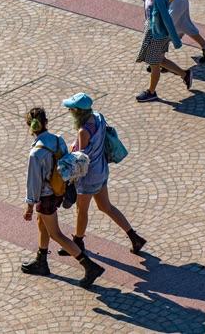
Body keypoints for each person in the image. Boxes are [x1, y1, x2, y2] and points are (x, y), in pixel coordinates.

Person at [21, 107, 105, 288]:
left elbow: (33, 184)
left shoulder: (35, 154)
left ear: (30, 127)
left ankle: (89, 266)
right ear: (46, 122)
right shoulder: (58, 140)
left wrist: (29, 207)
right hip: (58, 192)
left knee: (56, 234)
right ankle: (41, 261)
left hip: (46, 198)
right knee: (42, 223)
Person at [57, 93, 146, 256]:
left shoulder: (83, 131)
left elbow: (80, 158)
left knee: (81, 211)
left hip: (89, 177)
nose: (69, 112)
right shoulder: (98, 117)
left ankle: (78, 243)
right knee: (106, 207)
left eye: (70, 110)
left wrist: (71, 149)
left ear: (77, 111)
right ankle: (134, 237)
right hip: (102, 171)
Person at [135, 0, 193, 103]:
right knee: (160, 60)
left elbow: (167, 19)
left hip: (158, 35)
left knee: (155, 64)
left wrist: (175, 40)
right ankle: (185, 74)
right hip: (153, 30)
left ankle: (151, 92)